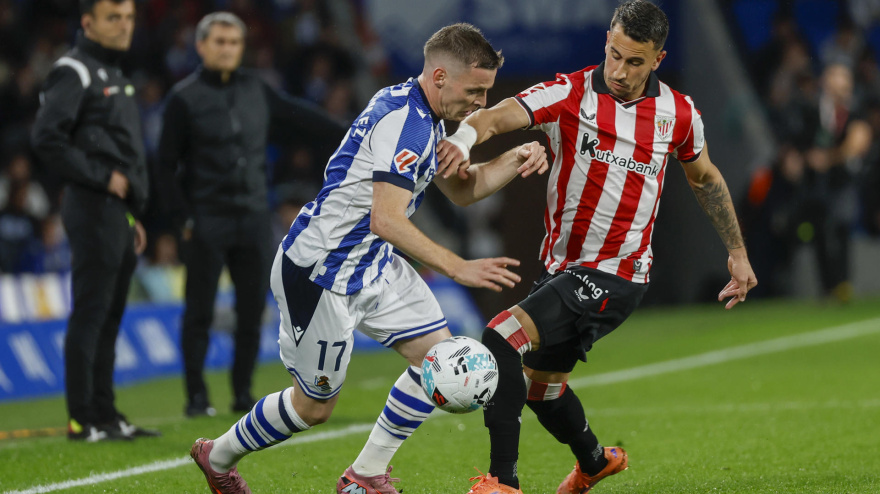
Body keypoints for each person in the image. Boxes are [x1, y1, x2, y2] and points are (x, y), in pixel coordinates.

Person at [189, 23, 548, 494]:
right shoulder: (407, 122)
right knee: (312, 408)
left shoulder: (427, 115)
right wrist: (457, 266)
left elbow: (460, 190)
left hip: (372, 263)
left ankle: (366, 476)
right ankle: (216, 457)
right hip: (321, 273)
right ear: (440, 76)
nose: (480, 103)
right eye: (475, 90)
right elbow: (387, 219)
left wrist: (515, 158)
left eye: (486, 92)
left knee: (435, 360)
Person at [436, 2, 759, 492]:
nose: (620, 71)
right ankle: (594, 462)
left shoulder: (678, 113)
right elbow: (498, 118)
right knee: (542, 392)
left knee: (502, 336)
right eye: (615, 55)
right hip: (564, 268)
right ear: (607, 40)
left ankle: (503, 482)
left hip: (619, 272)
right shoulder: (570, 93)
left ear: (658, 59)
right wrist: (462, 139)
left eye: (635, 62)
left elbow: (705, 177)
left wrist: (736, 251)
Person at [157, 12, 349, 417]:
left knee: (250, 312)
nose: (227, 49)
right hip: (206, 219)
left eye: (234, 42)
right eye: (219, 42)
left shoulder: (257, 90)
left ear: (242, 48)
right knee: (200, 312)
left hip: (253, 217)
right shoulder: (183, 98)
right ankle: (196, 397)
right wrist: (182, 220)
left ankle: (242, 394)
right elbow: (164, 167)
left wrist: (354, 132)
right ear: (201, 46)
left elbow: (304, 118)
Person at [30, 0, 159, 441]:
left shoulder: (114, 74)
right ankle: (81, 418)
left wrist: (130, 214)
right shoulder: (75, 70)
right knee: (90, 312)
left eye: (128, 18)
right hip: (89, 206)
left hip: (115, 213)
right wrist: (103, 178)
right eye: (113, 18)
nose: (124, 26)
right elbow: (46, 137)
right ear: (87, 22)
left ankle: (106, 415)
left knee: (110, 315)